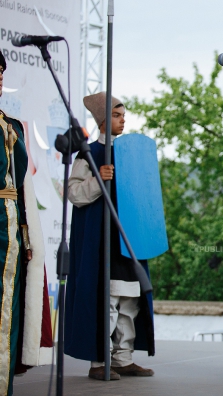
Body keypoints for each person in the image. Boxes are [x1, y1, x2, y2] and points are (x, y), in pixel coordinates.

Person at [65, 92, 155, 380]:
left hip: (130, 237)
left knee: (131, 298)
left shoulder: (132, 152)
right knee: (109, 298)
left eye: (123, 115)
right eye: (117, 115)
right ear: (103, 120)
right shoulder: (88, 152)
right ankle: (100, 361)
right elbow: (73, 194)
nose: (122, 119)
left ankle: (123, 357)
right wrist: (97, 178)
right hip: (102, 239)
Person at [0, 52, 53, 395]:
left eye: (1, 72)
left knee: (8, 310)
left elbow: (21, 186)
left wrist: (26, 235)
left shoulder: (12, 126)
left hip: (9, 233)